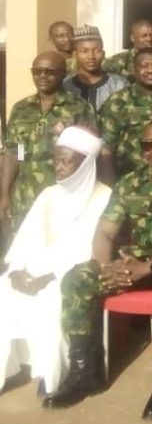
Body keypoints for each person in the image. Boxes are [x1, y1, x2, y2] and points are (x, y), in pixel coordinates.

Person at [44, 118, 152, 418]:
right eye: (147, 145)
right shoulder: (130, 183)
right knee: (77, 279)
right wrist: (104, 266)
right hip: (133, 262)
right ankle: (85, 372)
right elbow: (106, 231)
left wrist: (148, 267)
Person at [1, 128, 109, 398]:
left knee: (52, 298)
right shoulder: (49, 194)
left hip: (69, 275)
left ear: (85, 164)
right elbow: (25, 238)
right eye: (56, 160)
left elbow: (90, 253)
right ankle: (11, 369)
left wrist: (49, 276)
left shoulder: (105, 197)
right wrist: (16, 270)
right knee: (3, 289)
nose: (58, 167)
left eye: (66, 161)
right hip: (32, 270)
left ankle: (51, 374)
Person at [1, 52, 95, 234]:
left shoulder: (79, 107)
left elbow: (88, 157)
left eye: (49, 71)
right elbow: (11, 153)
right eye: (37, 71)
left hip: (62, 197)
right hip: (23, 199)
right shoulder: (21, 108)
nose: (42, 76)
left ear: (64, 73)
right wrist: (4, 195)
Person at [99, 48, 152, 178]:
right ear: (134, 69)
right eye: (144, 66)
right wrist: (109, 186)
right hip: (131, 182)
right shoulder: (119, 101)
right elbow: (107, 148)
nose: (151, 70)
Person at [62, 25, 128, 112]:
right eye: (84, 51)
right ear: (75, 54)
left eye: (96, 51)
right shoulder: (66, 85)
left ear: (103, 53)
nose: (91, 56)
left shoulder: (119, 84)